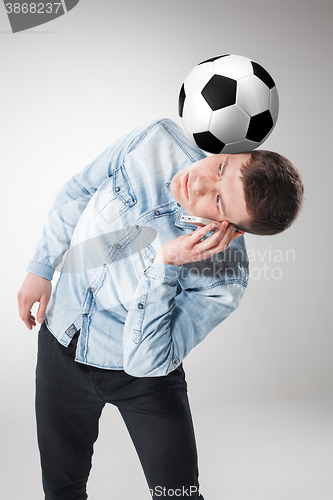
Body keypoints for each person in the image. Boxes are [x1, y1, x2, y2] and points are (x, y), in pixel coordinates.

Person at [17, 118, 304, 500]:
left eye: (218, 201)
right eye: (220, 168)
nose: (199, 183)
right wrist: (41, 267)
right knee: (61, 490)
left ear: (232, 230)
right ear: (231, 154)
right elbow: (81, 188)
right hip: (61, 344)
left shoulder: (224, 277)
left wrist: (165, 267)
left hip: (142, 376)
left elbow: (145, 362)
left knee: (178, 496)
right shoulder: (156, 139)